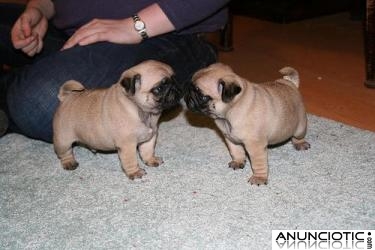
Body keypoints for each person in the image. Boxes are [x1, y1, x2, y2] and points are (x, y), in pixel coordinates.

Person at [0, 0, 229, 142]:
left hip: (168, 34)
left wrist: (135, 26)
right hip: (72, 30)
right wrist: (38, 9)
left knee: (42, 104)